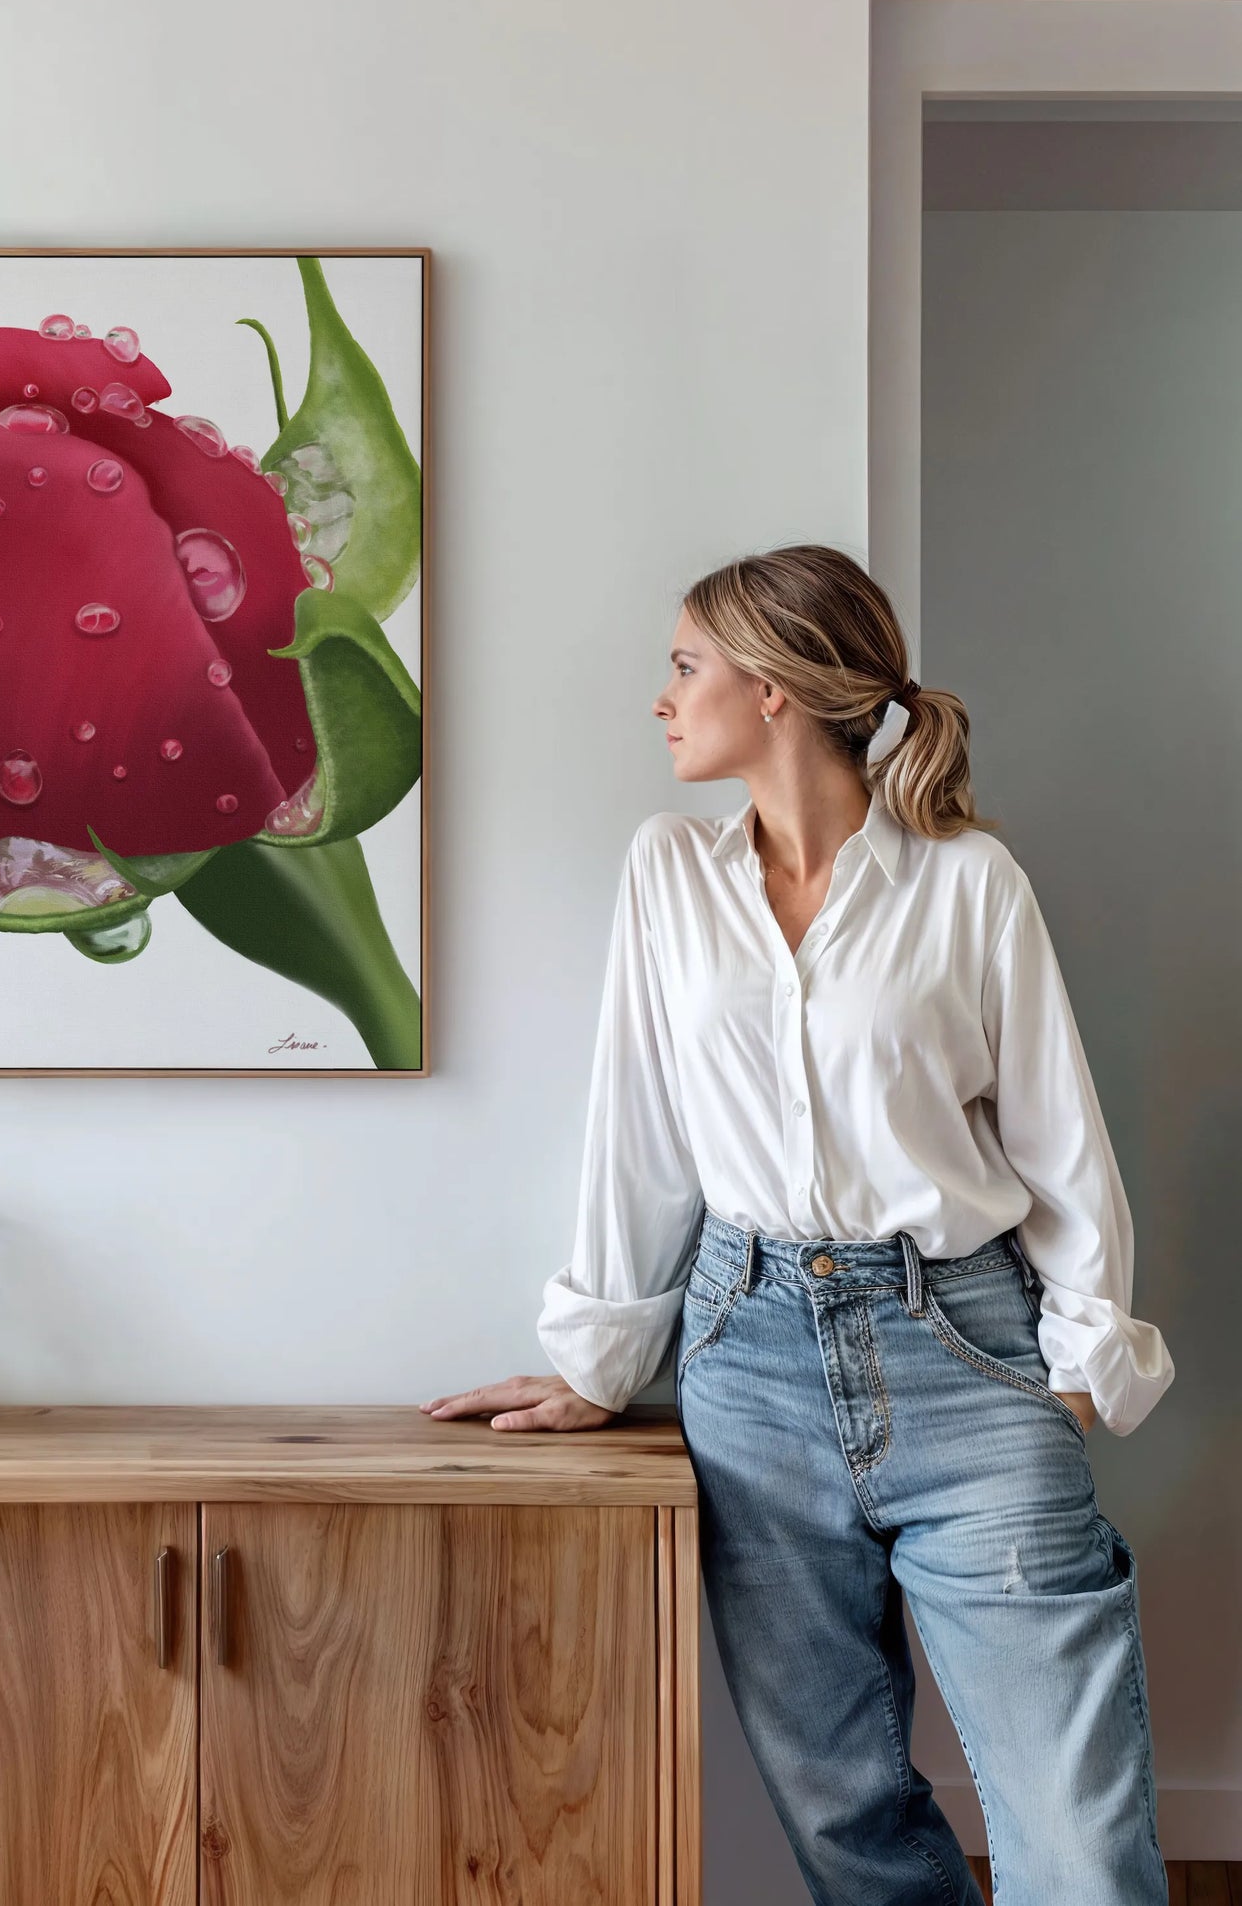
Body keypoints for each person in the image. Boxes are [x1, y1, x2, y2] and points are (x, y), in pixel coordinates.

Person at [421, 545, 1174, 1905]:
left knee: (1075, 1834)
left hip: (966, 1347)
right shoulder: (667, 874)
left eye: (683, 666)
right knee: (844, 1817)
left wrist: (1073, 1368)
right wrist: (600, 1358)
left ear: (771, 690)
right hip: (745, 1356)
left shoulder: (966, 883)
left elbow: (1059, 1141)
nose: (661, 698)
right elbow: (635, 1129)